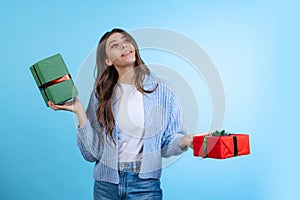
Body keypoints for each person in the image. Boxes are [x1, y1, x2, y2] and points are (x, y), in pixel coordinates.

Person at [48, 28, 209, 200]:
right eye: (115, 45)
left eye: (126, 41)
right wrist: (80, 111)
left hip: (145, 186)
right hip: (106, 186)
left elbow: (167, 144)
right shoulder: (101, 95)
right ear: (108, 60)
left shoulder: (164, 90)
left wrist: (186, 140)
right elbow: (91, 154)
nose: (124, 46)